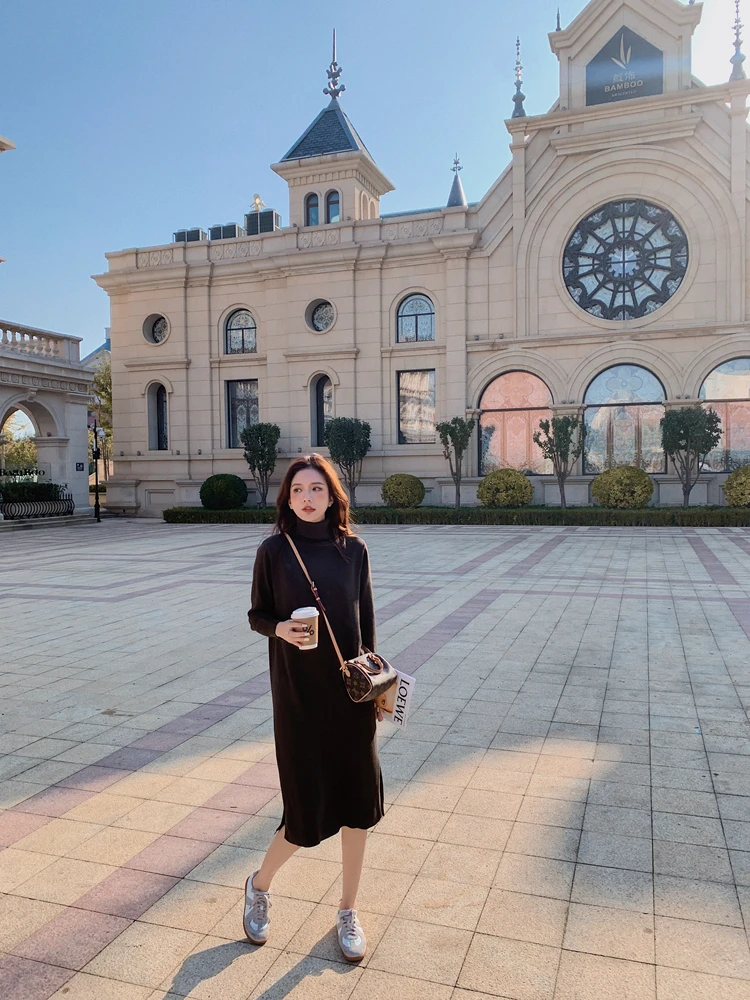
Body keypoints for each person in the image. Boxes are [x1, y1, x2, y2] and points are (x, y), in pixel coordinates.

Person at [245, 453, 383, 962]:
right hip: (299, 698)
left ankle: (348, 910)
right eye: (299, 490)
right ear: (287, 498)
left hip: (350, 698)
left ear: (332, 497)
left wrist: (378, 688)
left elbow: (366, 625)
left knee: (357, 808)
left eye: (317, 489)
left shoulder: (354, 550)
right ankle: (259, 885)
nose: (307, 498)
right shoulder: (273, 551)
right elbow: (257, 614)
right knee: (303, 812)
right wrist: (279, 627)